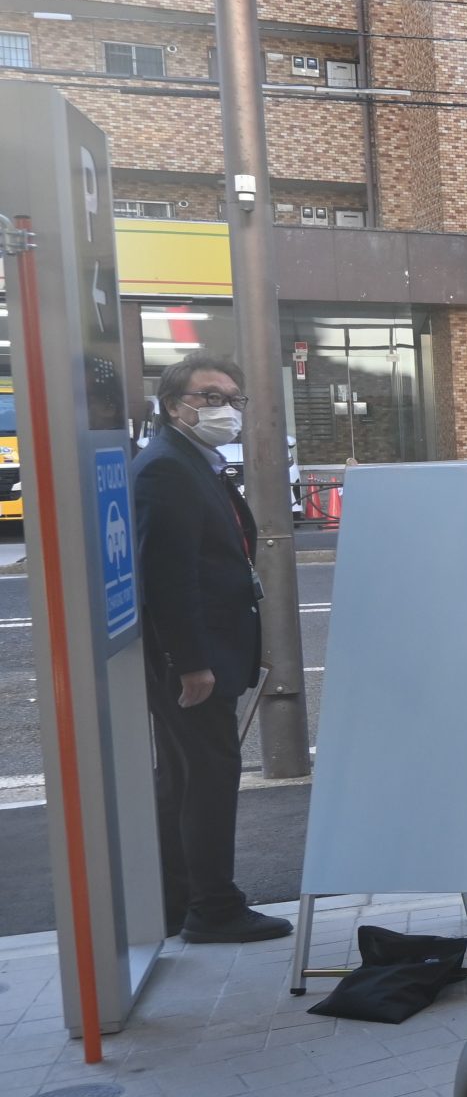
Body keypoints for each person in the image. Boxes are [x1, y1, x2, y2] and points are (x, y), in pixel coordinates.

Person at [134, 353, 288, 942]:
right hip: (191, 661)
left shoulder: (193, 462)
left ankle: (177, 902)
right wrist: (191, 663)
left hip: (202, 652)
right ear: (175, 405)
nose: (227, 409)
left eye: (233, 399)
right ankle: (214, 908)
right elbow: (166, 577)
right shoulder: (167, 469)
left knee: (181, 776)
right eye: (211, 397)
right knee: (209, 775)